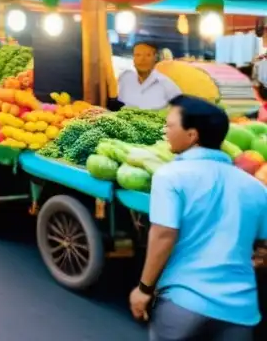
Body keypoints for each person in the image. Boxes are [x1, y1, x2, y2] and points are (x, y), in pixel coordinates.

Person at [130, 96, 267, 339]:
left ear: (192, 135)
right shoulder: (256, 188)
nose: (166, 131)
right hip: (241, 310)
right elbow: (263, 249)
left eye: (170, 126)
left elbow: (164, 234)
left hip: (184, 304)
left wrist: (144, 288)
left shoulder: (171, 176)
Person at [112, 41, 182, 111]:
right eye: (138, 55)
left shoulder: (166, 83)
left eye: (148, 55)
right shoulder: (126, 78)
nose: (142, 60)